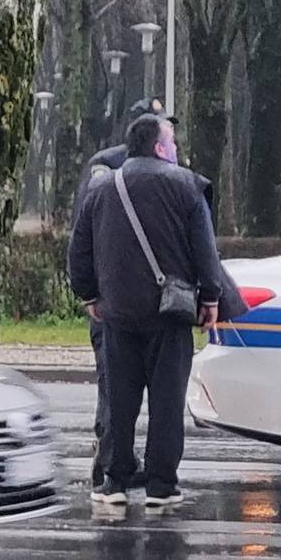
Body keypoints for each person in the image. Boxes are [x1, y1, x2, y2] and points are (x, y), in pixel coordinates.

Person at [68, 114, 225, 507]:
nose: (174, 148)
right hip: (169, 313)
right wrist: (210, 298)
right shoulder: (187, 185)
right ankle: (160, 485)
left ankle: (115, 481)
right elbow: (205, 250)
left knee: (120, 401)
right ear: (158, 147)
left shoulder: (103, 188)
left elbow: (79, 249)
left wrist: (90, 296)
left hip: (117, 313)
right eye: (170, 141)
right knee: (167, 401)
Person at [73, 98, 176, 491]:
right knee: (114, 387)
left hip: (129, 297)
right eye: (162, 127)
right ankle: (110, 463)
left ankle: (123, 465)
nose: (168, 135)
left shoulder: (168, 169)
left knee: (120, 385)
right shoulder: (108, 164)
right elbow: (88, 227)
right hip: (115, 297)